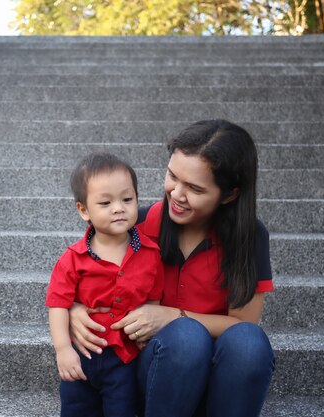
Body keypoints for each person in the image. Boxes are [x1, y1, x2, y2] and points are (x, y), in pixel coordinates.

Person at [68, 120, 275, 417]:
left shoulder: (250, 237)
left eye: (194, 188)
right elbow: (75, 275)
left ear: (229, 194)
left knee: (248, 343)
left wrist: (173, 317)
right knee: (185, 339)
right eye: (172, 176)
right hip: (146, 378)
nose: (176, 193)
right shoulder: (132, 224)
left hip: (219, 383)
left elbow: (242, 323)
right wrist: (75, 309)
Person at [46, 152, 164, 417]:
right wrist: (63, 350)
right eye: (105, 202)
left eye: (127, 199)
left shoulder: (150, 254)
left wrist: (144, 334)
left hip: (124, 358)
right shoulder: (72, 259)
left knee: (121, 410)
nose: (118, 208)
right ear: (84, 210)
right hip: (82, 355)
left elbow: (153, 298)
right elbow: (57, 305)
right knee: (76, 409)